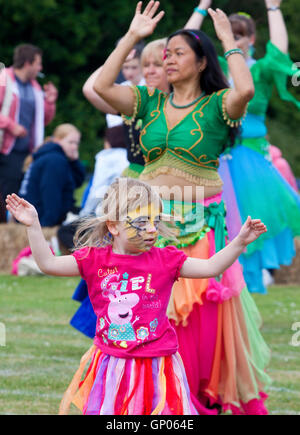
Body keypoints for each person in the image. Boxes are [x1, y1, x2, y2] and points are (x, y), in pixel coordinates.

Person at [91, 1, 271, 415]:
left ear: (201, 60)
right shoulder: (148, 102)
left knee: (195, 320)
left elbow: (245, 90)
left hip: (197, 223)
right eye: (165, 53)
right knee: (145, 309)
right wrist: (131, 37)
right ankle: (150, 397)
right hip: (146, 225)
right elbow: (101, 87)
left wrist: (228, 41)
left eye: (176, 53)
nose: (167, 60)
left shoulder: (218, 106)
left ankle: (190, 398)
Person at [6, 177, 267, 415]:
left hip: (158, 364)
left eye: (155, 221)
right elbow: (48, 264)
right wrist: (33, 226)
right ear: (114, 226)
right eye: (141, 222)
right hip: (112, 364)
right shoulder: (95, 259)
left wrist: (240, 242)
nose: (152, 229)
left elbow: (211, 267)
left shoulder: (167, 260)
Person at [215, 0, 300, 294]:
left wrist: (274, 9)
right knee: (222, 219)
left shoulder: (260, 70)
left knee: (251, 216)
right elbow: (178, 51)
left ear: (251, 39)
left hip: (251, 158)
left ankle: (250, 282)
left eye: (240, 35)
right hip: (219, 155)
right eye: (231, 35)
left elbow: (279, 53)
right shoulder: (216, 68)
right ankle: (223, 280)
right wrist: (201, 9)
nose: (235, 40)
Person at [0, 44, 58, 221]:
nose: (40, 68)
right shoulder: (4, 80)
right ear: (27, 63)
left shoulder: (35, 87)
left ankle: (14, 227)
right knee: (6, 193)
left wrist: (50, 102)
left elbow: (43, 121)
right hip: (5, 150)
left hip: (26, 151)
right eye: (38, 64)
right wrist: (11, 126)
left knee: (19, 193)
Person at [83, 41, 146, 180]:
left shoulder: (152, 92)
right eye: (125, 67)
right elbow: (90, 89)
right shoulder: (123, 89)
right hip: (122, 154)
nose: (129, 72)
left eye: (134, 67)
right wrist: (118, 55)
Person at [19, 124, 85, 227]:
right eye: (70, 142)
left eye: (77, 143)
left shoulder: (49, 156)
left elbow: (76, 181)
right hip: (40, 220)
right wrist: (47, 227)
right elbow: (51, 194)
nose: (75, 147)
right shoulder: (55, 161)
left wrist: (75, 161)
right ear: (57, 140)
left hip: (31, 217)